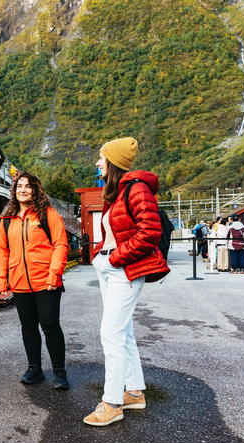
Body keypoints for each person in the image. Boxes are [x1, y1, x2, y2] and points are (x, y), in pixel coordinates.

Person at [84, 137, 170, 427]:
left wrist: (113, 258)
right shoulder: (118, 191)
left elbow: (150, 233)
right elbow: (115, 232)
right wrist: (100, 257)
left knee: (110, 333)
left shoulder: (137, 189)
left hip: (125, 269)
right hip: (110, 267)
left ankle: (112, 403)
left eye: (102, 157)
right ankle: (134, 391)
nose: (98, 163)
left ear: (115, 162)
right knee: (124, 333)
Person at [0, 172, 70, 389]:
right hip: (19, 282)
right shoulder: (7, 219)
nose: (23, 190)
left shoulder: (48, 215)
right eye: (19, 186)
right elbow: (2, 250)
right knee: (28, 327)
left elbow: (60, 244)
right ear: (14, 190)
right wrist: (1, 280)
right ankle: (34, 369)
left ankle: (59, 372)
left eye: (28, 186)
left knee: (50, 326)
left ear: (35, 190)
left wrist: (54, 275)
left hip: (46, 282)